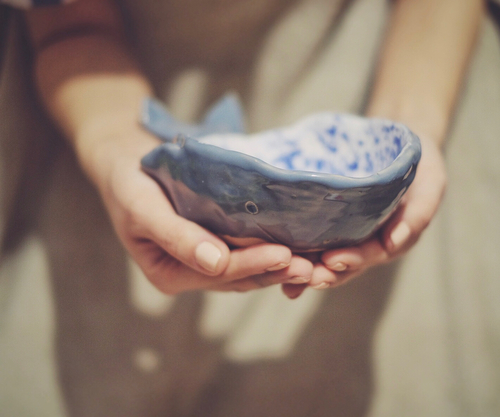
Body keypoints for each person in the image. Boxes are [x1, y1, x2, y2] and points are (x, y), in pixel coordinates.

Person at [2, 0, 499, 416]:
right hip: (102, 149)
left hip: (396, 75)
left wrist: (411, 121)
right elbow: (71, 25)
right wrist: (114, 140)